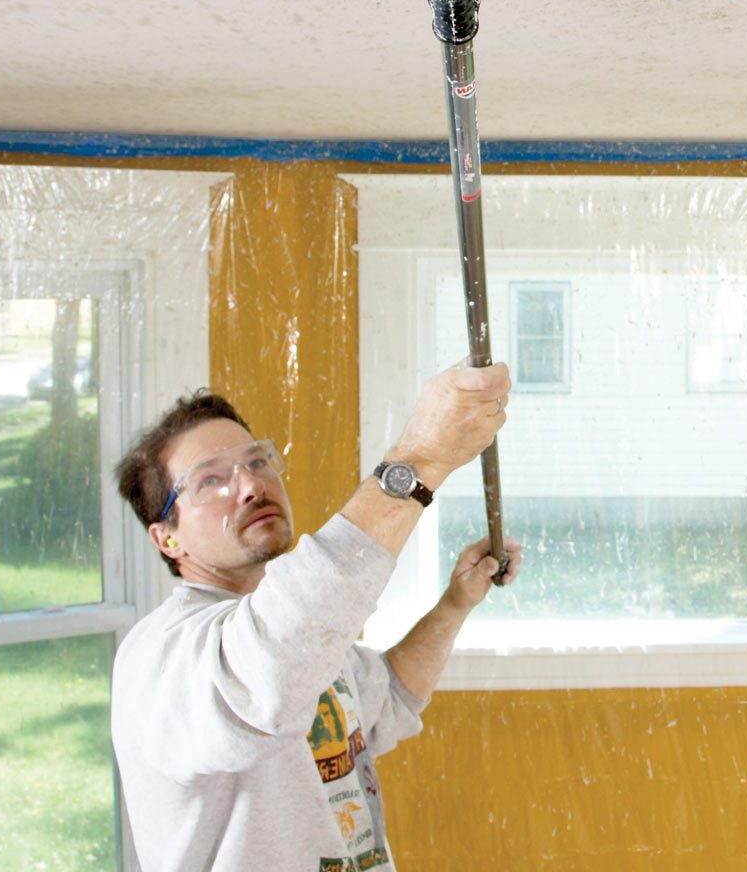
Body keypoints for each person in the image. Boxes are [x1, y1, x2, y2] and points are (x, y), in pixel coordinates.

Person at [111, 360, 521, 872]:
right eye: (209, 480)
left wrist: (455, 603)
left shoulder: (301, 636)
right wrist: (419, 462)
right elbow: (272, 666)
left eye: (256, 461)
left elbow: (389, 695)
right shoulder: (163, 657)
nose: (249, 486)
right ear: (166, 537)